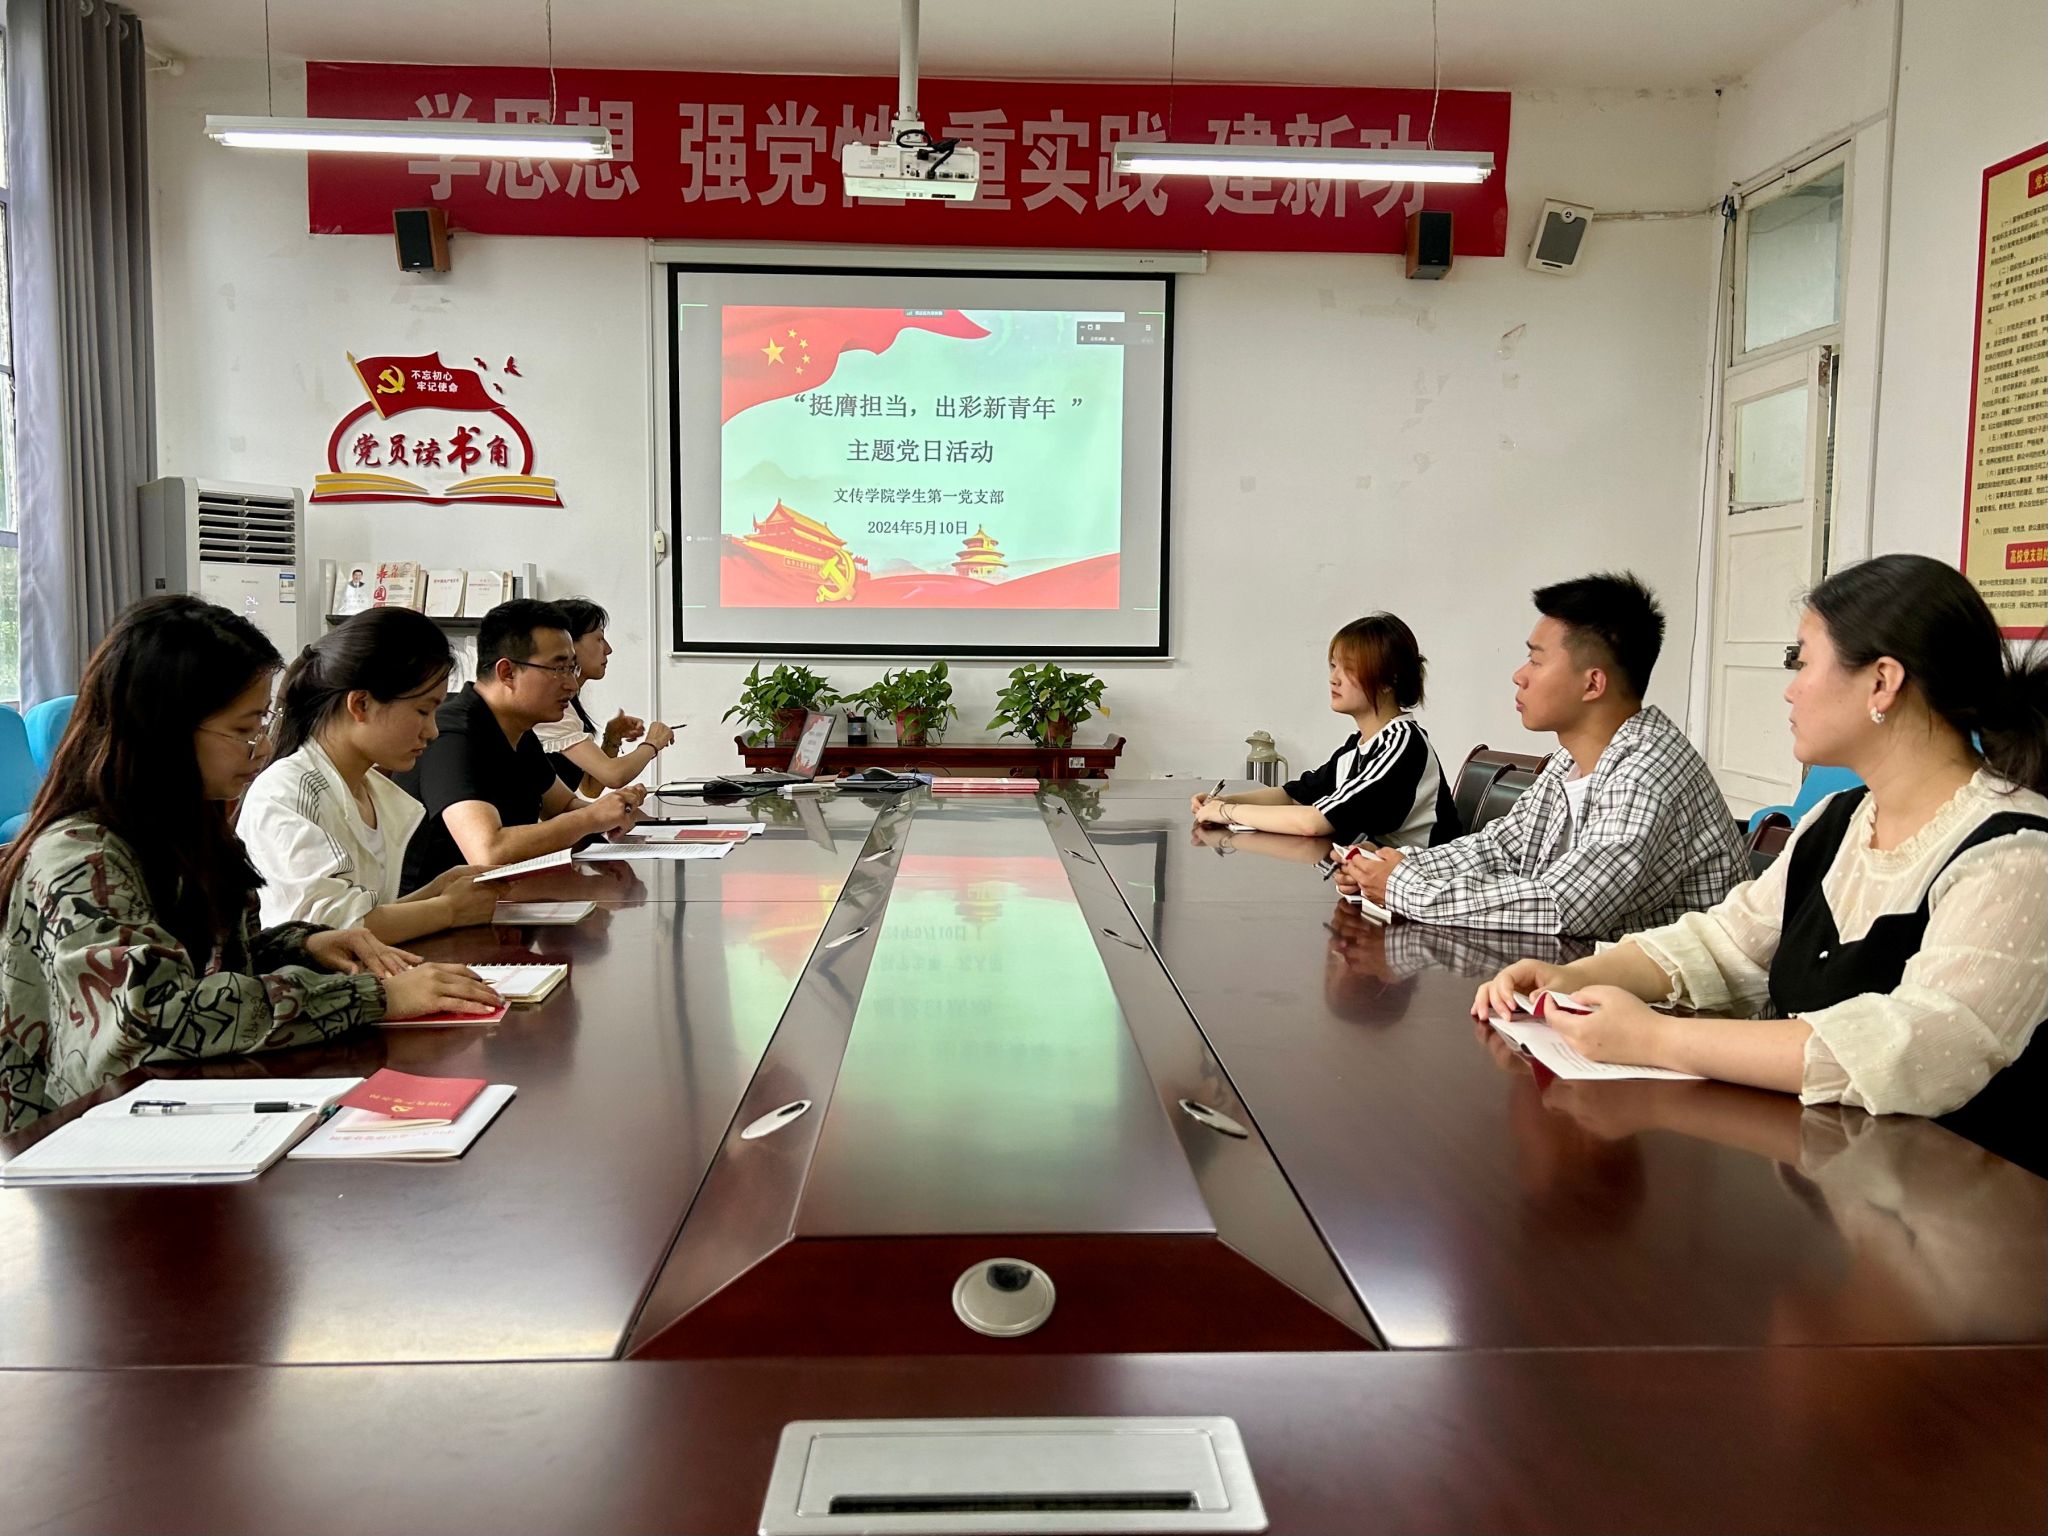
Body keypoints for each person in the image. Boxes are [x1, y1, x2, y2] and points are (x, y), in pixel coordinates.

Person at [1471, 554, 2048, 1173]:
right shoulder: (1839, 819)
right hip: (1833, 1177)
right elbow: (1727, 942)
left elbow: (1917, 1046)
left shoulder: (2015, 852)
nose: (1790, 688)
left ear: (1882, 682)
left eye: (1802, 660)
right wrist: (1576, 976)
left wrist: (1656, 1038)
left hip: (1955, 1208)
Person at [0, 597, 503, 1131]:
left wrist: (302, 946)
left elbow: (215, 961)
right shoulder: (82, 854)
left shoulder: (189, 826)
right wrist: (373, 997)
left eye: (263, 723)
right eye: (244, 730)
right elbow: (154, 1015)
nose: (261, 749)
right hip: (76, 1131)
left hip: (172, 1103)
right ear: (166, 729)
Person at [1337, 571, 1745, 937]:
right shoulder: (1571, 762)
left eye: (1535, 659)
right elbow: (1501, 848)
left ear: (1592, 684)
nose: (1519, 675)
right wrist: (1397, 865)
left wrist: (1403, 888)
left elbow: (1566, 906)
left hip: (1677, 995)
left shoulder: (1648, 769)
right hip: (1594, 977)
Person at [241, 607, 500, 944]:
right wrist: (449, 909)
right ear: (361, 704)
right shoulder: (287, 792)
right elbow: (324, 932)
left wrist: (437, 891)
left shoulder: (370, 790)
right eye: (423, 710)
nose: (432, 731)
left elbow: (364, 915)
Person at [392, 598, 644, 889]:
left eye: (572, 669)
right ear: (507, 673)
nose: (572, 685)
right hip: (434, 910)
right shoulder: (453, 734)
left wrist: (614, 811)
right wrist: (592, 817)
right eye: (558, 669)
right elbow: (488, 850)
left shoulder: (519, 731)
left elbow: (563, 806)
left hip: (497, 899)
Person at [1192, 613, 1458, 848]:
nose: (1333, 679)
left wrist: (1226, 812)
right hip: (1378, 876)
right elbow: (1294, 796)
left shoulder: (1402, 744)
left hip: (1420, 883)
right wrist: (1223, 801)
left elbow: (1315, 822)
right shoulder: (1359, 745)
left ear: (1389, 680)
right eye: (1333, 666)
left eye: (1349, 669)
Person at [536, 597, 675, 795]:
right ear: (568, 644)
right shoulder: (551, 709)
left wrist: (612, 737)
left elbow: (591, 787)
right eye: (599, 639)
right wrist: (652, 743)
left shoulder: (568, 705)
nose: (608, 649)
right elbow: (613, 775)